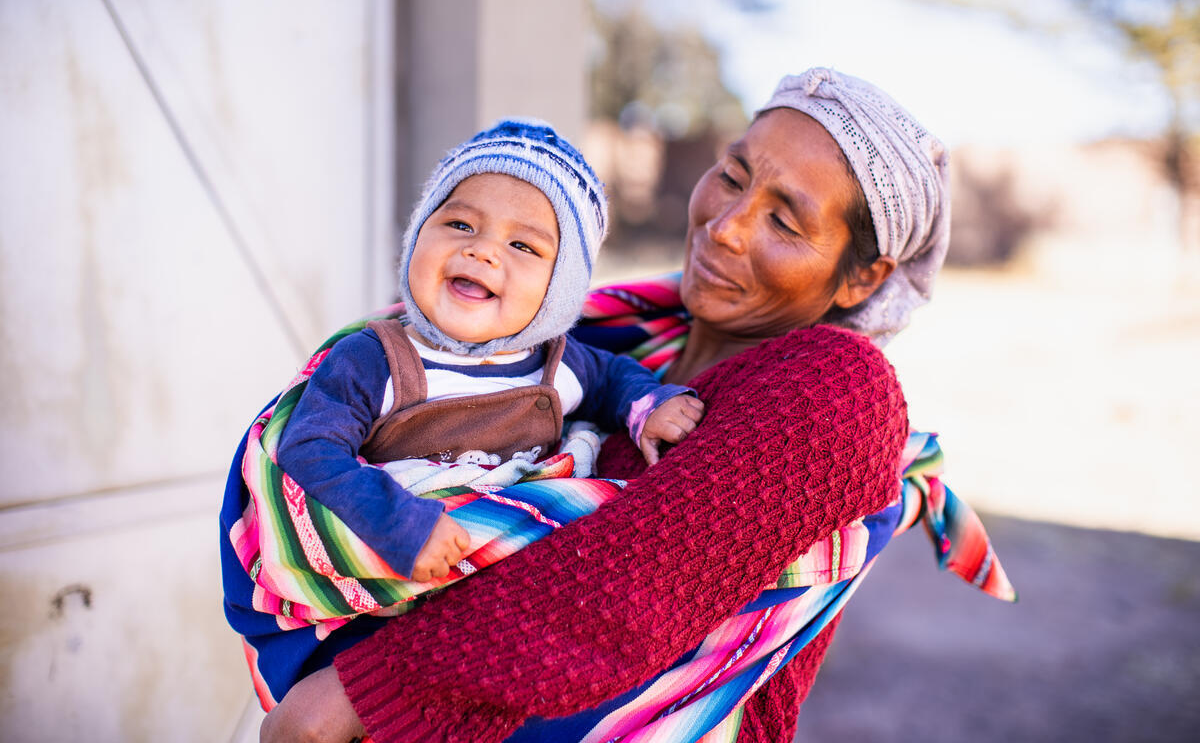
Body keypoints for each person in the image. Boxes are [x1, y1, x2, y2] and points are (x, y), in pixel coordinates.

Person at [257, 67, 1014, 743]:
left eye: (785, 220)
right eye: (732, 174)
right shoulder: (594, 342)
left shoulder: (836, 389)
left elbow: (630, 588)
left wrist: (362, 693)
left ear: (860, 278)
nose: (725, 225)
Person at [221, 118, 704, 708]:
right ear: (418, 236)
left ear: (562, 288)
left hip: (495, 617)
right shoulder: (378, 359)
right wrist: (400, 524)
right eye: (459, 224)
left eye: (523, 245)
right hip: (387, 600)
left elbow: (615, 380)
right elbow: (308, 450)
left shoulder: (561, 365)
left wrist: (649, 406)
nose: (481, 250)